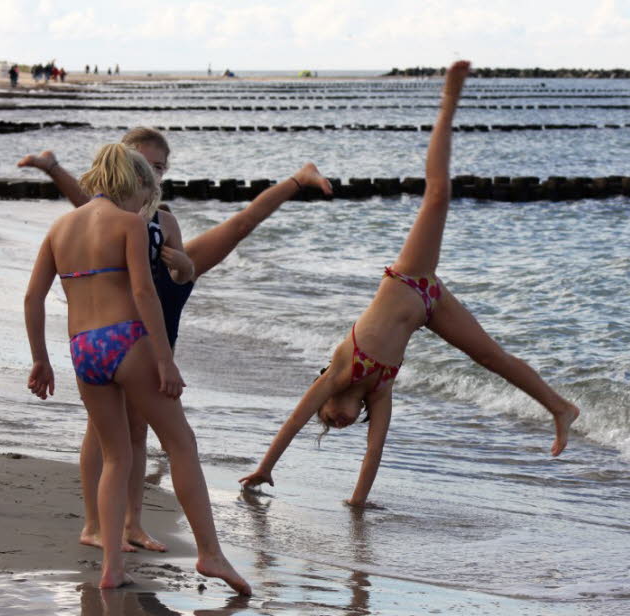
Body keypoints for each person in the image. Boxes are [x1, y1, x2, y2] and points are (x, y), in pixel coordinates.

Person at [239, 61, 580, 508]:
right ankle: (560, 407)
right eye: (341, 424)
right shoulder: (379, 393)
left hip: (409, 279)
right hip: (430, 304)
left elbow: (293, 421)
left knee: (437, 195)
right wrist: (358, 501)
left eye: (328, 419)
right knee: (489, 355)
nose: (334, 422)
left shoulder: (339, 370)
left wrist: (265, 468)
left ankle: (449, 100)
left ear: (327, 397)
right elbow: (375, 450)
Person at [18, 128, 332, 551]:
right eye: (143, 164)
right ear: (123, 167)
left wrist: (184, 264)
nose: (151, 173)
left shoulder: (162, 221)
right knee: (108, 435)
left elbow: (179, 277)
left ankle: (131, 524)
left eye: (159, 167)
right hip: (124, 334)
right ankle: (96, 524)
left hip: (157, 325)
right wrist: (52, 167)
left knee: (137, 434)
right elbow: (83, 200)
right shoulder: (113, 218)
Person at [24, 143, 250, 594]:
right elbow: (146, 295)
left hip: (83, 347)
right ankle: (210, 553)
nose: (144, 204)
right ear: (134, 185)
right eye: (145, 193)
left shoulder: (60, 228)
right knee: (181, 443)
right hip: (127, 339)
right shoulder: (130, 224)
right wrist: (165, 360)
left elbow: (33, 298)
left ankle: (111, 566)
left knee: (115, 457)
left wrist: (40, 359)